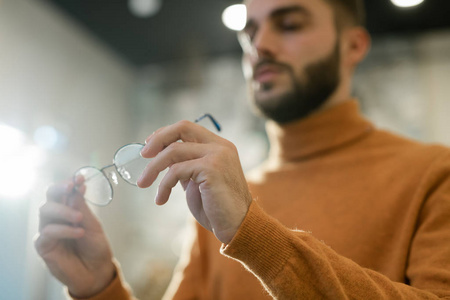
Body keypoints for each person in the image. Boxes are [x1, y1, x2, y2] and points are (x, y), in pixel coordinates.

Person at [35, 0, 450, 299]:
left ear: (353, 46)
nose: (260, 46)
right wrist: (98, 287)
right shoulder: (220, 201)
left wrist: (253, 236)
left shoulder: (435, 173)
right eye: (249, 31)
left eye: (289, 24)